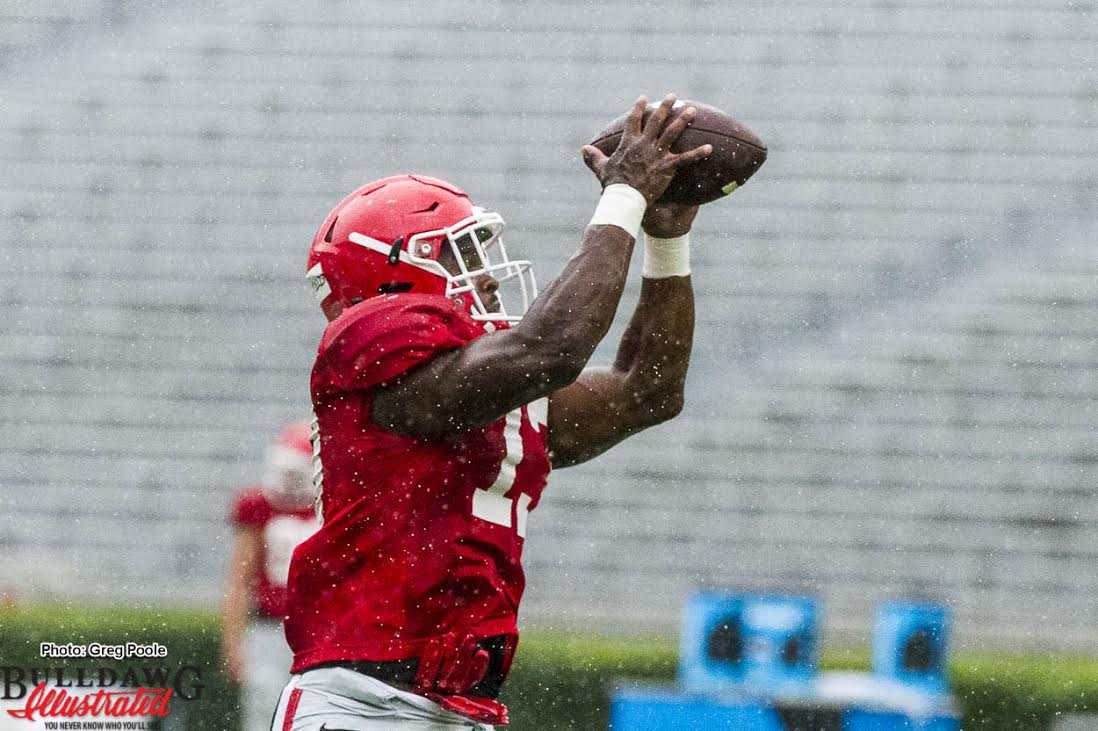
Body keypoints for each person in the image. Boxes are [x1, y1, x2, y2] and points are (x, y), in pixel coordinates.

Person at [273, 94, 713, 730]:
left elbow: (648, 390)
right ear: (388, 278)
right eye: (458, 254)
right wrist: (621, 199)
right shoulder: (374, 362)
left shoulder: (478, 389)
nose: (482, 276)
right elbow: (551, 348)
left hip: (462, 706)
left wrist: (665, 241)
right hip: (361, 702)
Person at [222, 420, 320, 731]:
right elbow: (239, 579)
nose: (289, 482)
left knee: (314, 712)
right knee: (263, 711)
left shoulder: (333, 507)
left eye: (296, 473)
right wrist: (233, 642)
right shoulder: (260, 507)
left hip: (320, 631)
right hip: (269, 627)